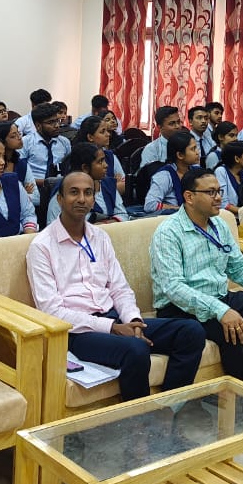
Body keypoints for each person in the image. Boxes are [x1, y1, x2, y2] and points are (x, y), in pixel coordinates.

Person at [29, 171, 205, 401]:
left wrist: (134, 321)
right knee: (136, 349)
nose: (81, 199)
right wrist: (112, 327)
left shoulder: (100, 237)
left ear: (94, 199)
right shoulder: (42, 246)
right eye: (74, 192)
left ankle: (170, 407)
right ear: (60, 199)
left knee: (191, 332)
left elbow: (119, 288)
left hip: (115, 319)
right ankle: (139, 420)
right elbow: (51, 311)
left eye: (88, 193)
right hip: (77, 333)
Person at [151, 169, 243, 395]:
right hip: (180, 308)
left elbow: (238, 266)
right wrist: (221, 310)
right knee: (232, 330)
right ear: (189, 197)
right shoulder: (168, 233)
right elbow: (174, 288)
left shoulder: (219, 225)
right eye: (211, 192)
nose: (218, 197)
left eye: (219, 191)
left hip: (219, 297)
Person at [46, 142, 128, 223]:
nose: (106, 165)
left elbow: (122, 214)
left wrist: (105, 224)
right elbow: (53, 225)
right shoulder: (64, 192)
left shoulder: (108, 184)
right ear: (85, 168)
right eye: (100, 161)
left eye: (104, 160)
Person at [144, 131, 199, 214]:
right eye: (193, 149)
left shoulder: (197, 171)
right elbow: (150, 205)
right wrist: (182, 209)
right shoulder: (164, 176)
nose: (197, 152)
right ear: (180, 155)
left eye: (196, 148)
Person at [73, 116, 126, 194]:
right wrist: (112, 184)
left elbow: (124, 184)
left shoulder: (110, 156)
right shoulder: (79, 157)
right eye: (102, 132)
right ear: (90, 137)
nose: (108, 134)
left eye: (107, 131)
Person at [0, 120, 39, 204]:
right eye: (13, 136)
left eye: (19, 133)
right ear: (1, 141)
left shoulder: (21, 164)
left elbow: (36, 198)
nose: (19, 137)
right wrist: (22, 193)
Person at [22, 102, 70, 181]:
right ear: (38, 125)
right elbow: (20, 174)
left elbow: (69, 167)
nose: (57, 125)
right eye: (51, 122)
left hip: (60, 184)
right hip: (35, 185)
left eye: (57, 121)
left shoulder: (64, 142)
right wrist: (45, 183)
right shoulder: (26, 142)